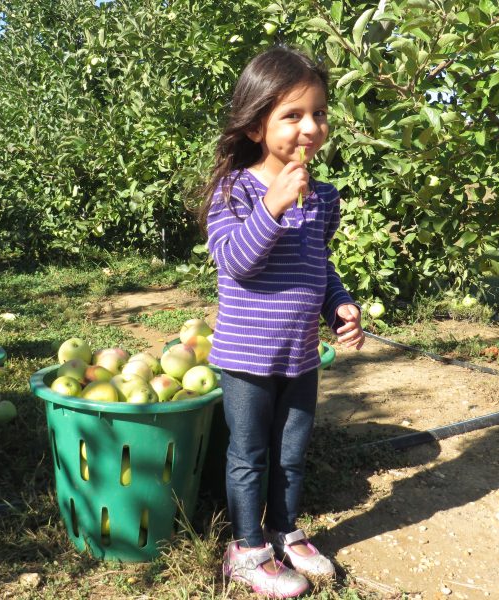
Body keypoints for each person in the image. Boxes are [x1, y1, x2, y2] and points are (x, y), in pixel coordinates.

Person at [199, 46, 365, 598]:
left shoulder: (323, 199)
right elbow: (237, 262)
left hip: (299, 354)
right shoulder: (234, 192)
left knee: (291, 454)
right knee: (249, 455)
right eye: (292, 115)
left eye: (318, 112)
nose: (310, 127)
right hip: (246, 357)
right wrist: (271, 206)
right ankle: (246, 549)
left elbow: (317, 263)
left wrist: (338, 303)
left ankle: (284, 531)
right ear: (254, 125)